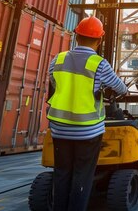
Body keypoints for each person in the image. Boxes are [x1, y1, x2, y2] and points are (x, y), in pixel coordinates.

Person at [47, 16, 128, 211]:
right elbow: (121, 88)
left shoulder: (57, 59)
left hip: (59, 129)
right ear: (99, 40)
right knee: (82, 176)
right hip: (87, 131)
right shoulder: (99, 64)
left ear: (76, 36)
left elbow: (54, 84)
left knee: (62, 173)